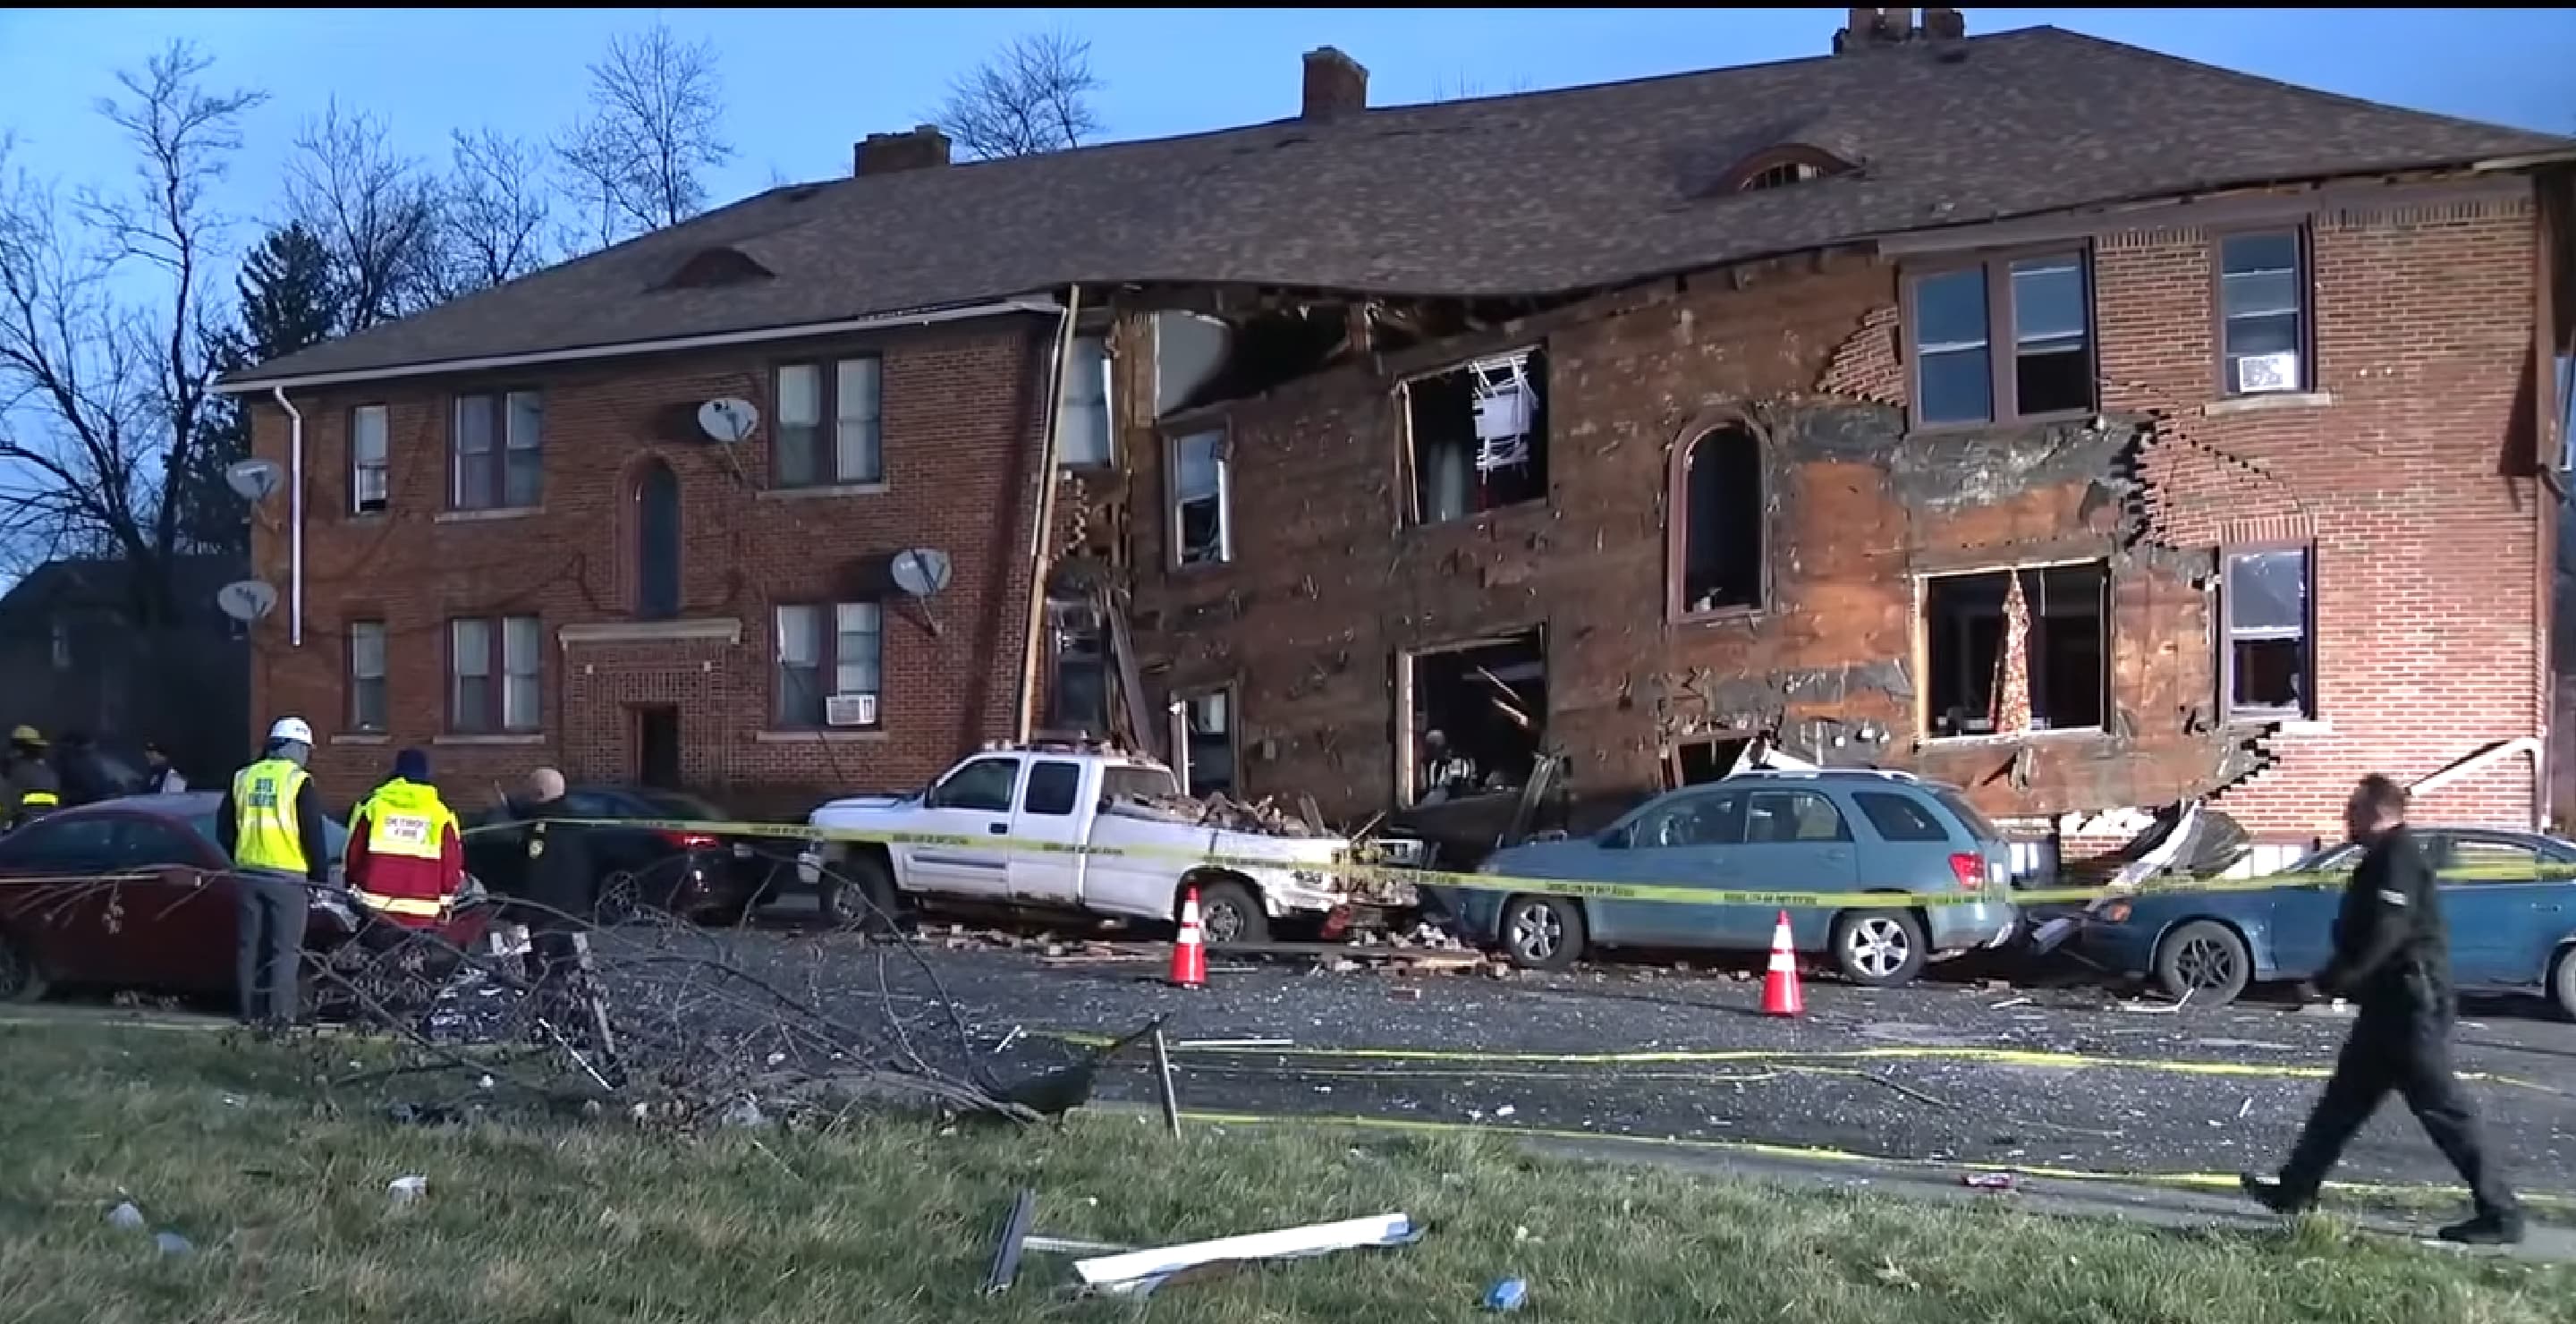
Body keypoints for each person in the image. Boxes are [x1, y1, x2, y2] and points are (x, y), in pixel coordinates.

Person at [2240, 774, 2522, 1244]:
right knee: (2342, 1103)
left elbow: (2386, 933)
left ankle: (2501, 1214)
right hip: (2385, 1006)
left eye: (2352, 810)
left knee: (2445, 1110)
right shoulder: (2382, 858)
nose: (2345, 818)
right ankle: (2294, 1190)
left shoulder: (2398, 858)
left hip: (2411, 1006)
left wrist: (2330, 983)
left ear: (2375, 812)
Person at [215, 717, 332, 1030]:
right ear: (295, 748)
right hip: (287, 878)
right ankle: (279, 1017)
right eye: (305, 749)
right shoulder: (298, 781)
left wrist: (241, 855)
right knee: (285, 950)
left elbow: (224, 828)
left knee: (249, 945)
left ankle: (249, 1013)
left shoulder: (243, 777)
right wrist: (320, 877)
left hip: (248, 874)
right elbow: (312, 834)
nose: (307, 756)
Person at [345, 748, 464, 934]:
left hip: (376, 911)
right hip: (422, 914)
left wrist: (353, 888)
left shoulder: (373, 807)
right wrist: (445, 903)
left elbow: (353, 856)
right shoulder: (441, 814)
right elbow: (451, 865)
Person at [3, 726, 61, 830]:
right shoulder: (48, 771)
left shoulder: (18, 771)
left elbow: (10, 804)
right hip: (48, 823)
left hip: (25, 827)